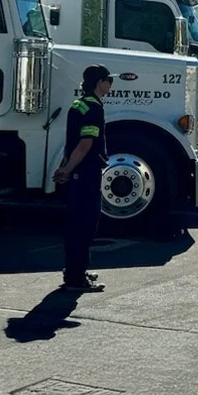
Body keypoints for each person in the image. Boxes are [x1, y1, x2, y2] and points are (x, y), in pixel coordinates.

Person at [54, 64, 115, 292]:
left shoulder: (78, 104)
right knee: (85, 225)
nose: (110, 84)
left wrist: (64, 168)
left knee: (75, 223)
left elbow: (71, 143)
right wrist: (68, 169)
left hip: (77, 172)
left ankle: (75, 270)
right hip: (86, 173)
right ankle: (76, 278)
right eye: (109, 80)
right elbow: (85, 144)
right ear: (100, 83)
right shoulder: (93, 109)